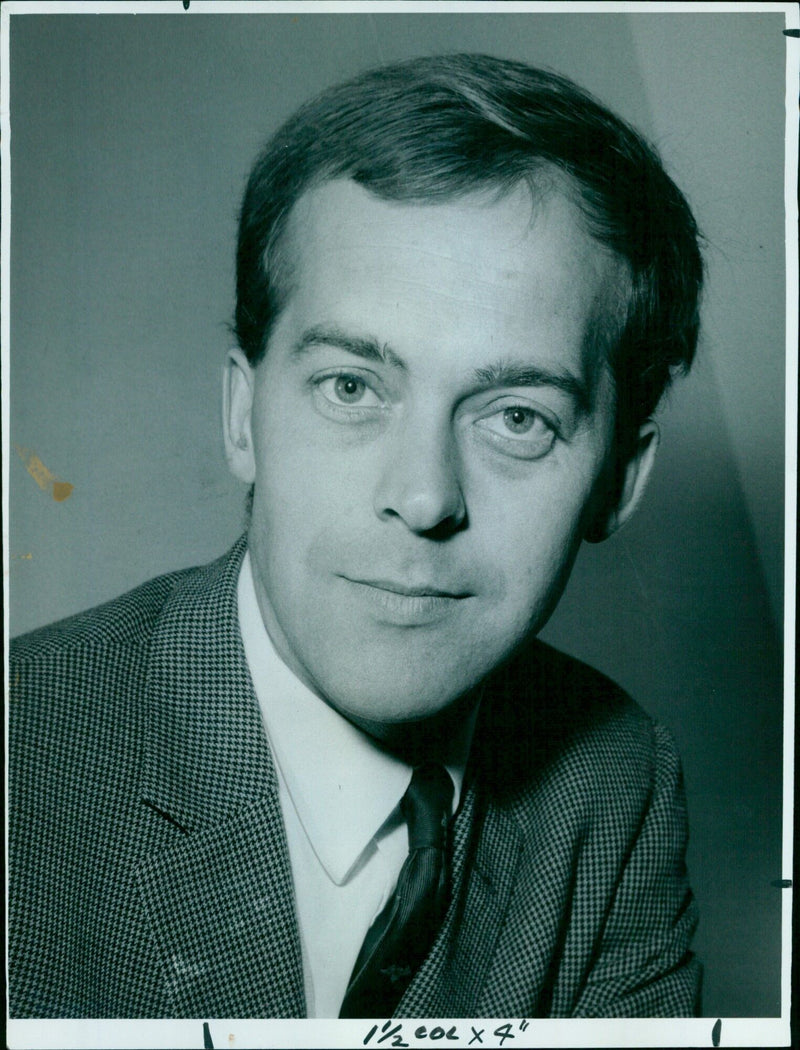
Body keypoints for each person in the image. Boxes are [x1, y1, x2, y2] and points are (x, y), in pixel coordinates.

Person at [9, 53, 704, 1020]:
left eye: (515, 417)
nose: (424, 498)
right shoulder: (24, 751)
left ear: (617, 483)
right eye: (352, 387)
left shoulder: (614, 778)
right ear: (244, 417)